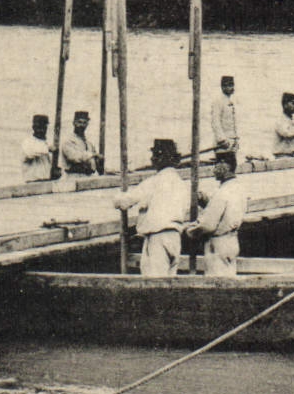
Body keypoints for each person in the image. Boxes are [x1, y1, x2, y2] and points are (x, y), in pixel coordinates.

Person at [116, 140, 190, 277]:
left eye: (154, 156)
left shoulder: (155, 181)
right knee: (169, 284)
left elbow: (124, 202)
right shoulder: (181, 183)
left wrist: (117, 197)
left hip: (158, 238)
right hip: (174, 237)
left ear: (161, 158)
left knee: (153, 283)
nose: (152, 159)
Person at [188, 161, 246, 276]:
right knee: (229, 277)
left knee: (216, 280)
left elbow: (208, 224)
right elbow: (227, 211)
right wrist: (208, 203)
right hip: (231, 240)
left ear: (226, 167)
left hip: (218, 244)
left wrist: (190, 231)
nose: (213, 169)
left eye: (217, 165)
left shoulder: (221, 192)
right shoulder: (238, 188)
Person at [210, 75, 239, 173]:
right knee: (224, 171)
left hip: (231, 145)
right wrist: (222, 140)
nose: (230, 88)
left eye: (231, 85)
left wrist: (235, 140)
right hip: (222, 146)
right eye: (227, 85)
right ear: (222, 87)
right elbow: (215, 122)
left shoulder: (230, 101)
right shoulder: (218, 102)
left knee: (232, 168)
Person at [60, 110, 100, 175]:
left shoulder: (89, 144)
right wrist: (93, 155)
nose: (82, 125)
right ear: (74, 123)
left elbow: (94, 162)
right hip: (73, 176)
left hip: (88, 176)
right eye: (79, 122)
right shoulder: (68, 141)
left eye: (84, 123)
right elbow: (74, 157)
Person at [21, 114, 53, 182]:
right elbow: (30, 154)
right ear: (33, 127)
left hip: (47, 181)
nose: (41, 130)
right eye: (38, 127)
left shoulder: (48, 142)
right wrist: (47, 149)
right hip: (32, 182)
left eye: (43, 127)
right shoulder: (28, 142)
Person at [272, 92, 294, 157]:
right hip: (283, 156)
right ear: (285, 105)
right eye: (293, 103)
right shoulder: (280, 121)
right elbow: (287, 133)